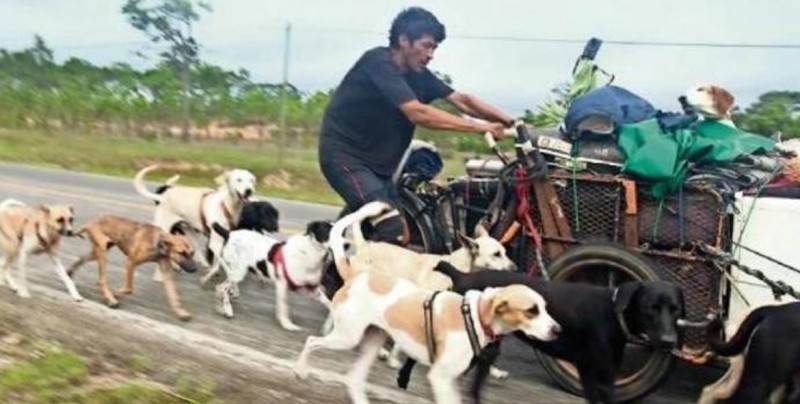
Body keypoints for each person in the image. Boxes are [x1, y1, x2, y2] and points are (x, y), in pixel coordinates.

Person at [318, 6, 514, 245]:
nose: (431, 54)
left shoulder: (420, 76)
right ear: (403, 40)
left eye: (435, 48)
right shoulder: (378, 63)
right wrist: (481, 128)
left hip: (381, 167)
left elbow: (462, 100)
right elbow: (417, 112)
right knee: (392, 229)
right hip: (346, 159)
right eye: (426, 45)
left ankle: (351, 269)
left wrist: (509, 121)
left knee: (403, 233)